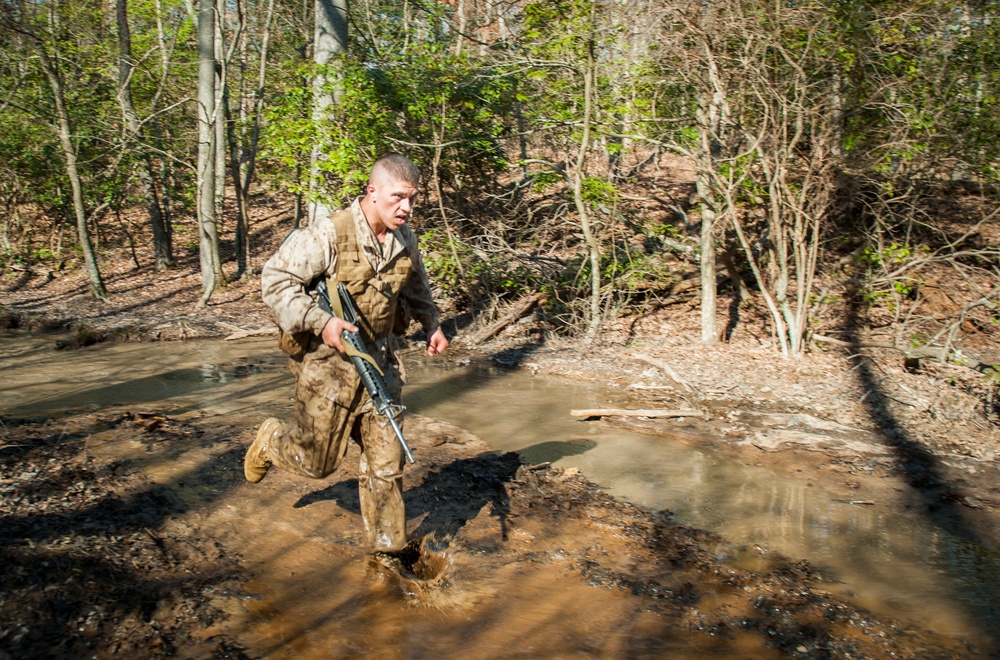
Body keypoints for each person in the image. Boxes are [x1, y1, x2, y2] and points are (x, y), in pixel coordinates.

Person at [246, 153, 448, 555]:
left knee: (387, 466)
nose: (405, 207)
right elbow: (275, 279)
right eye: (397, 198)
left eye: (412, 199)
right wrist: (320, 322)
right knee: (317, 464)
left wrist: (432, 324)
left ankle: (388, 552)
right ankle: (270, 441)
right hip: (329, 369)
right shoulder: (328, 235)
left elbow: (415, 286)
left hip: (379, 365)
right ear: (372, 192)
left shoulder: (405, 238)